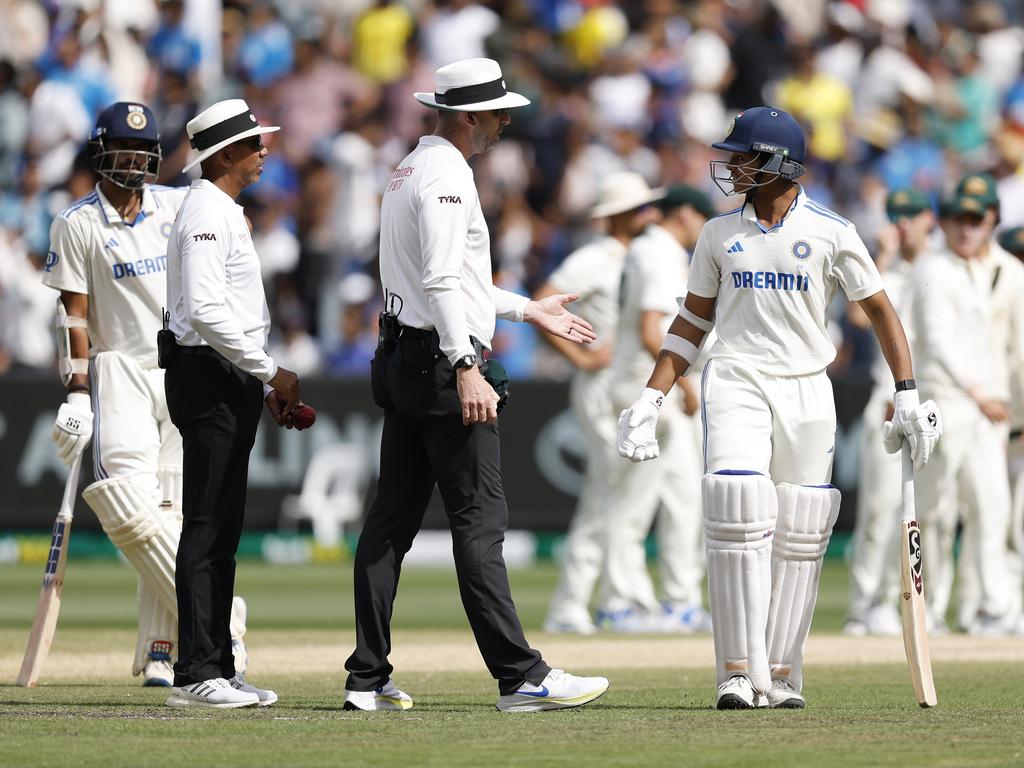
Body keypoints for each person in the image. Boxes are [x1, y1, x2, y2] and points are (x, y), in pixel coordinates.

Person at [616, 106, 942, 709]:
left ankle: (785, 671)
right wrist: (650, 394)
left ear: (779, 164)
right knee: (736, 507)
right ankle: (739, 672)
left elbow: (881, 311)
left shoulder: (831, 231)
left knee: (802, 527)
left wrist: (907, 392)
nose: (733, 166)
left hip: (808, 385)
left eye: (744, 156)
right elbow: (692, 319)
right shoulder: (719, 234)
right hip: (736, 376)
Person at [343, 57, 609, 713]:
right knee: (480, 522)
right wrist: (466, 365)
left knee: (389, 525)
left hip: (405, 357)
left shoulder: (412, 168)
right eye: (496, 113)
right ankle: (520, 676)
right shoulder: (448, 176)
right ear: (468, 116)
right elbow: (440, 280)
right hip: (440, 362)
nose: (504, 123)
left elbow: (454, 282)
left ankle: (367, 677)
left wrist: (528, 309)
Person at [42, 101, 250, 689]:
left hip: (181, 370)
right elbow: (73, 318)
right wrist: (77, 391)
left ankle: (164, 649)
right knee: (126, 507)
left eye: (143, 152)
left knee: (174, 511)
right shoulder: (76, 223)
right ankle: (221, 618)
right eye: (122, 151)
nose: (133, 163)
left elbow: (230, 233)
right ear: (100, 154)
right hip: (120, 370)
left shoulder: (179, 205)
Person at [164, 98, 300, 708]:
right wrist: (271, 372)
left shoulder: (220, 210)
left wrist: (260, 378)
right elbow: (202, 309)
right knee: (208, 524)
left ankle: (215, 661)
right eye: (253, 143)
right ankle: (197, 672)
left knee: (221, 528)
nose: (264, 150)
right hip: (210, 375)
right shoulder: (208, 214)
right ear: (222, 155)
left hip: (227, 375)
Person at [532, 170, 663, 634]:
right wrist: (581, 356)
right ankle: (620, 599)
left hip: (626, 385)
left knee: (608, 493)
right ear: (619, 216)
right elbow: (541, 305)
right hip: (599, 386)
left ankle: (576, 603)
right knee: (613, 491)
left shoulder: (646, 256)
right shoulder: (593, 258)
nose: (649, 214)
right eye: (640, 208)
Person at [600, 185, 715, 632]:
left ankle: (680, 600)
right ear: (685, 213)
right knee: (633, 502)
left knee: (684, 499)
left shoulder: (659, 251)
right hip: (645, 388)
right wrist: (682, 385)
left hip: (654, 388)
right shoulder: (657, 252)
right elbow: (654, 331)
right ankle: (621, 602)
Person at [911, 178, 1022, 636]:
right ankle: (932, 608)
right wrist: (979, 392)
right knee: (936, 513)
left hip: (986, 411)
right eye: (957, 219)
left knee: (991, 506)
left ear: (990, 221)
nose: (965, 229)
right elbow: (935, 341)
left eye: (974, 220)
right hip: (944, 406)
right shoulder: (931, 268)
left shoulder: (997, 270)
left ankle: (991, 608)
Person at [844, 188, 934, 637]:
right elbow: (860, 319)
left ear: (928, 219)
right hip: (888, 400)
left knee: (931, 512)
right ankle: (865, 606)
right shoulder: (887, 272)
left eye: (912, 214)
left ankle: (925, 604)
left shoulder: (939, 270)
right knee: (878, 511)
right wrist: (883, 254)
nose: (904, 223)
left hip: (931, 406)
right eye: (897, 216)